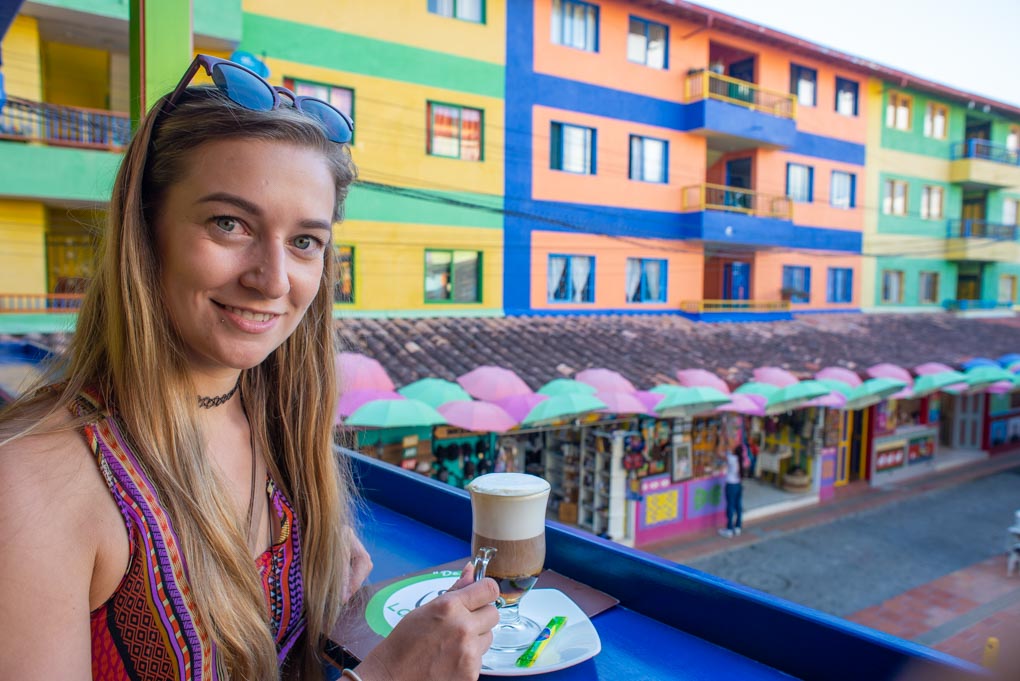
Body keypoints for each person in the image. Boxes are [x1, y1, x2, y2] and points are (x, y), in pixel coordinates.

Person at [0, 54, 498, 680]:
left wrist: (305, 561)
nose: (272, 279)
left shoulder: (276, 419)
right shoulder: (31, 484)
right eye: (229, 223)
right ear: (144, 231)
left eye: (304, 241)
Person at [718, 436, 744, 538]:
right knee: (738, 506)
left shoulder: (731, 459)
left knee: (730, 507)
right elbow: (729, 446)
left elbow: (719, 453)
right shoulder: (738, 459)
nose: (730, 447)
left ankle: (729, 529)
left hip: (731, 485)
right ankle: (737, 527)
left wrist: (720, 441)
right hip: (738, 485)